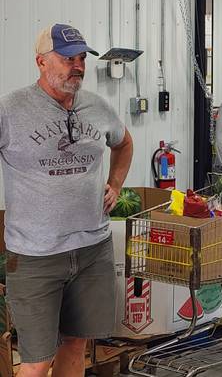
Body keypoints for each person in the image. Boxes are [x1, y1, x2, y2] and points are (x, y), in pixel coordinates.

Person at [0, 24, 133, 377]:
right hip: (34, 256)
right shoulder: (10, 109)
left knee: (75, 346)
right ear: (41, 61)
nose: (77, 66)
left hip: (92, 249)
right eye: (66, 58)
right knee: (36, 360)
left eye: (80, 58)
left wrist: (115, 184)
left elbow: (123, 143)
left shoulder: (97, 107)